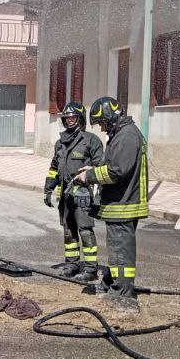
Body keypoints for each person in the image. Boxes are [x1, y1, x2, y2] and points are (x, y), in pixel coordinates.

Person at [76, 96, 148, 309]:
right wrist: (93, 170)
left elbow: (116, 172)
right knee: (117, 252)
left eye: (103, 122)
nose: (102, 127)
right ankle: (114, 284)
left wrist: (89, 177)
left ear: (111, 117)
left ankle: (123, 294)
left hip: (123, 204)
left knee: (121, 253)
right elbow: (115, 164)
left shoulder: (126, 137)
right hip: (120, 203)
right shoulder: (122, 134)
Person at [43, 102, 103, 284]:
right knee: (69, 231)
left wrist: (91, 172)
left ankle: (91, 269)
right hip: (65, 196)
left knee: (85, 230)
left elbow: (101, 166)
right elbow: (54, 168)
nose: (69, 121)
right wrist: (48, 189)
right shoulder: (60, 143)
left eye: (73, 117)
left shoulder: (91, 140)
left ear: (80, 119)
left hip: (82, 195)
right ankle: (72, 265)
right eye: (67, 118)